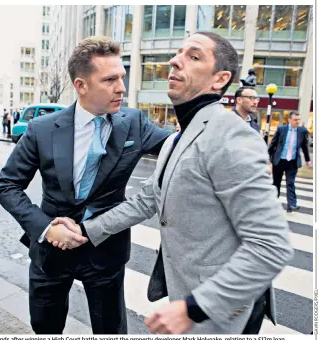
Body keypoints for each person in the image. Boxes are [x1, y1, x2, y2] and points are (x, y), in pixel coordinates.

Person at [51, 32, 293, 335]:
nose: (175, 60)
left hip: (223, 309)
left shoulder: (230, 134)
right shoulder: (177, 139)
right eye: (179, 52)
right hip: (189, 298)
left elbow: (271, 245)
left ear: (220, 79)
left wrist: (194, 307)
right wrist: (85, 230)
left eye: (194, 56)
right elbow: (146, 201)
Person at [0, 36, 170, 334]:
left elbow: (180, 148)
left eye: (122, 77)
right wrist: (47, 228)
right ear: (81, 85)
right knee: (44, 327)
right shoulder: (43, 129)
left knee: (110, 330)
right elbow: (7, 186)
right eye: (110, 79)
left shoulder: (134, 123)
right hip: (51, 251)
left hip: (105, 251)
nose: (122, 87)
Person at [268, 111, 311, 212]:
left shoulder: (302, 131)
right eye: (295, 120)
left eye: (298, 120)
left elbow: (304, 146)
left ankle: (291, 205)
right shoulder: (281, 129)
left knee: (290, 183)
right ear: (289, 120)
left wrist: (308, 160)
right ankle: (274, 203)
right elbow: (273, 144)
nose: (297, 122)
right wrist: (268, 158)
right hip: (279, 161)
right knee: (276, 183)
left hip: (292, 162)